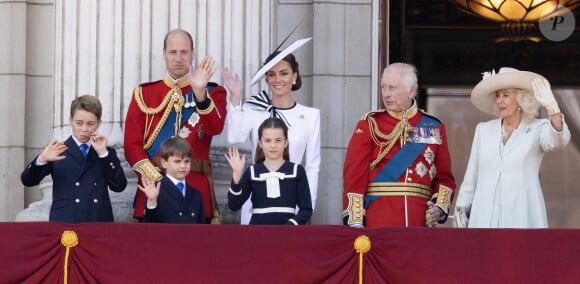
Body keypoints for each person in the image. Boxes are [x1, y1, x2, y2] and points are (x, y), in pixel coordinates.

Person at [124, 29, 227, 223]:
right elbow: (131, 146)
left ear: (192, 54)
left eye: (184, 52)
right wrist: (157, 179)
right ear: (164, 54)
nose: (178, 58)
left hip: (196, 191)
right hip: (153, 189)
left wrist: (200, 95)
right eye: (173, 52)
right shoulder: (144, 93)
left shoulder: (213, 92)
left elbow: (215, 128)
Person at [454, 67, 571, 228]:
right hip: (484, 219)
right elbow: (470, 179)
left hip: (523, 218)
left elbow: (558, 141)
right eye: (497, 95)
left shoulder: (538, 128)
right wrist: (460, 218)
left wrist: (553, 110)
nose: (499, 101)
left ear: (520, 100)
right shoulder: (483, 129)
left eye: (505, 95)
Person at [342, 63, 456, 228]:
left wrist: (439, 207)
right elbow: (354, 176)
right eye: (383, 87)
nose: (386, 94)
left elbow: (444, 178)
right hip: (378, 220)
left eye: (393, 88)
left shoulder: (434, 126)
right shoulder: (370, 124)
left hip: (420, 223)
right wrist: (355, 221)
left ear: (411, 90)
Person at [221, 39, 320, 225]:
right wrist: (235, 99)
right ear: (266, 79)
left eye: (284, 73)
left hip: (293, 208)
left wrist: (305, 212)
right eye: (272, 74)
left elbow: (312, 167)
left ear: (295, 76)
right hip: (256, 205)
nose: (278, 79)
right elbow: (234, 137)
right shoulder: (254, 109)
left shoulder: (310, 116)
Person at [21, 95, 127, 223]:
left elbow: (119, 186)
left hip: (97, 220)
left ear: (99, 123)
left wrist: (103, 154)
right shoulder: (57, 149)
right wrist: (42, 159)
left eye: (90, 124)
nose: (84, 129)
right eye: (79, 123)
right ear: (70, 120)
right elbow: (28, 181)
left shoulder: (107, 152)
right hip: (65, 221)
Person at [224, 117, 313, 225]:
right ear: (260, 143)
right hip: (258, 235)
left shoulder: (297, 171)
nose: (273, 145)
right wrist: (237, 175)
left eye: (278, 140)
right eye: (267, 140)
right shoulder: (252, 172)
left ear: (285, 142)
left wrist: (291, 225)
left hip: (287, 236)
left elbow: (306, 210)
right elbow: (234, 205)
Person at [138, 137, 205, 224]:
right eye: (177, 161)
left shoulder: (195, 194)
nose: (183, 166)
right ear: (164, 163)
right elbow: (148, 227)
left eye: (187, 161)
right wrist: (151, 202)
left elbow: (201, 229)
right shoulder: (156, 190)